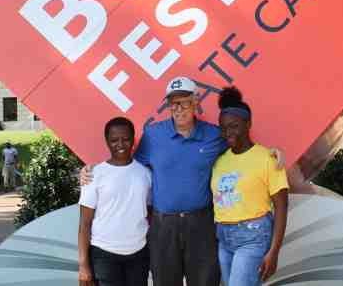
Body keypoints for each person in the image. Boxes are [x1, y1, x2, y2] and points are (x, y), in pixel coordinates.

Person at [80, 76, 285, 286]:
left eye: (184, 102)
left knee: (205, 282)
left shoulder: (214, 135)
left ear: (196, 101)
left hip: (201, 224)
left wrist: (270, 153)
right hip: (163, 225)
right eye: (173, 103)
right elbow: (128, 165)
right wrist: (93, 170)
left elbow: (242, 148)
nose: (178, 109)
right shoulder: (153, 135)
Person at [212, 87, 288, 286]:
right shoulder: (220, 160)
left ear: (248, 124)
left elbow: (281, 207)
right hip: (223, 237)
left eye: (234, 126)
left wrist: (274, 251)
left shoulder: (267, 158)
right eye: (223, 127)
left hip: (253, 236)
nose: (228, 132)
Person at [78, 117, 151, 286]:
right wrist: (83, 265)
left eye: (125, 139)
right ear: (107, 141)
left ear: (133, 140)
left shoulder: (145, 174)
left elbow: (150, 213)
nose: (120, 144)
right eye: (114, 140)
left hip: (138, 253)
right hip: (104, 253)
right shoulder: (94, 175)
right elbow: (84, 223)